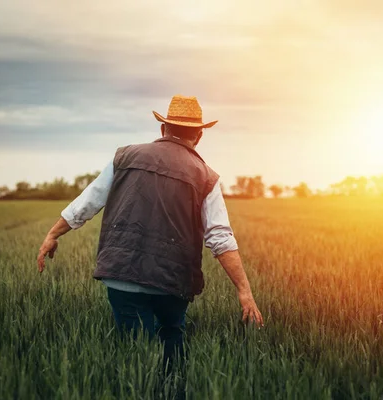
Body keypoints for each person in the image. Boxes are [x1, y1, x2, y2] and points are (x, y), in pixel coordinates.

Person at [36, 94, 264, 378]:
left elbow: (88, 202)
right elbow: (220, 238)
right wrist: (244, 291)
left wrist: (52, 235)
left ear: (163, 129)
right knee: (171, 343)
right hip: (172, 281)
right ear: (199, 135)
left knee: (135, 358)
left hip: (122, 274)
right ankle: (172, 389)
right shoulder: (206, 176)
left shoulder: (125, 157)